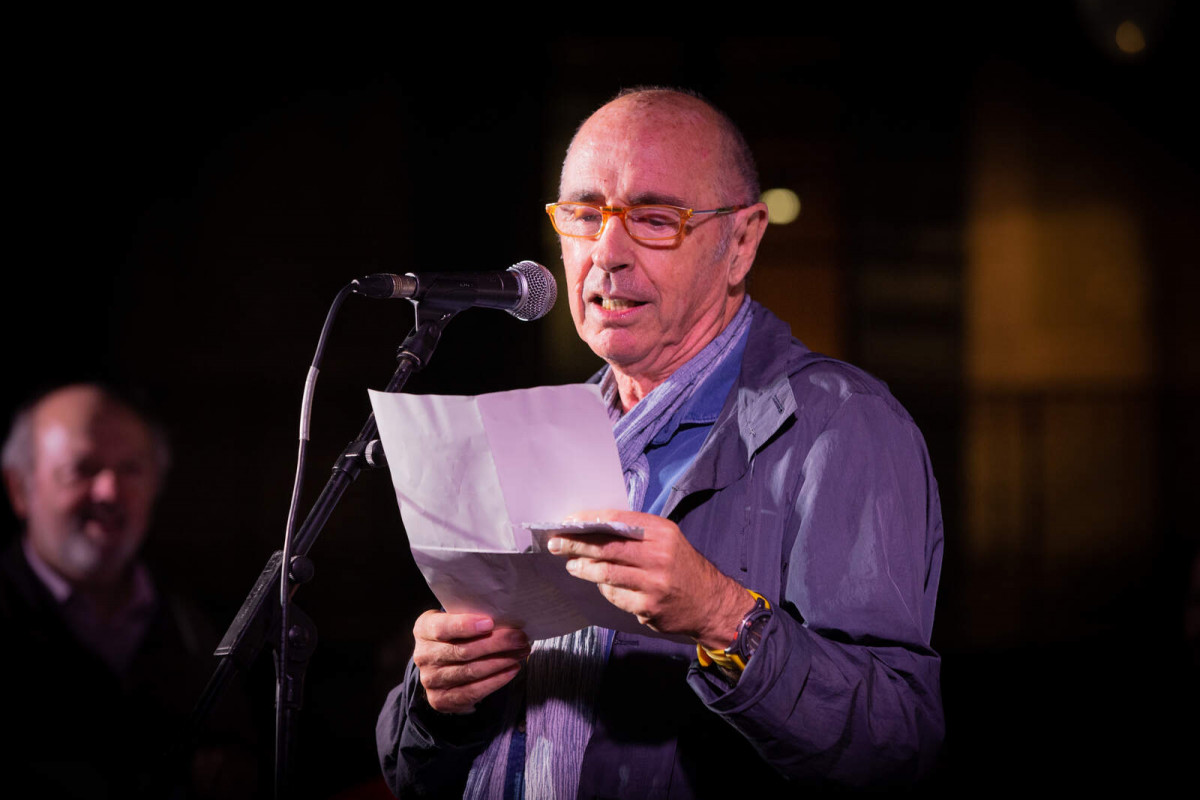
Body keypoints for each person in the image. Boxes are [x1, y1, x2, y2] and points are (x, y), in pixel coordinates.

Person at [377, 88, 944, 797]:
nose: (607, 252)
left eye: (654, 219)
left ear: (742, 243)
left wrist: (723, 616)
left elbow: (898, 744)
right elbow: (406, 770)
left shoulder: (843, 425)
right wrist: (438, 702)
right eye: (585, 214)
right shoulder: (544, 427)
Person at [0, 383, 255, 798]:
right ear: (19, 489)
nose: (110, 492)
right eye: (82, 469)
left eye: (131, 469)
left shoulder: (206, 623)